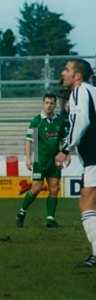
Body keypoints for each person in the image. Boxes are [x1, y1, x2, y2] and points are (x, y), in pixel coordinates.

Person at [56, 59, 96, 267]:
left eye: (67, 69)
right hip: (91, 155)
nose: (63, 73)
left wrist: (66, 149)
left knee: (87, 199)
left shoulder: (80, 90)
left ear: (77, 76)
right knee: (87, 198)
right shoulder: (90, 90)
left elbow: (81, 121)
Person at [16, 94, 68, 228]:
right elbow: (29, 141)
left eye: (51, 103)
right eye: (47, 103)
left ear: (55, 105)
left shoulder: (60, 121)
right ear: (43, 104)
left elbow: (63, 140)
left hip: (55, 160)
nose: (49, 105)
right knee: (37, 188)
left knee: (54, 188)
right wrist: (28, 158)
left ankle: (50, 219)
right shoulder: (36, 121)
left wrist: (66, 154)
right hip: (40, 160)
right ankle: (22, 212)